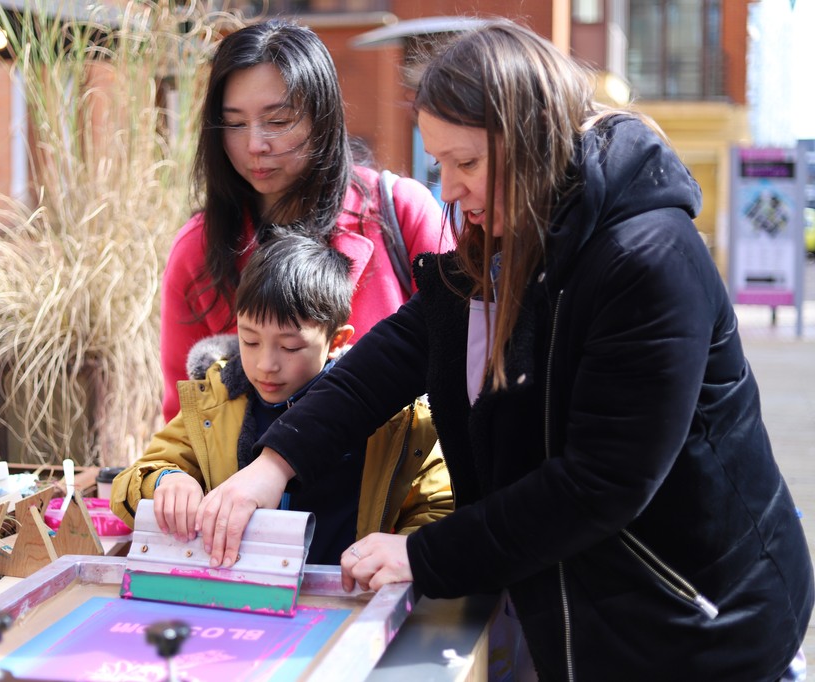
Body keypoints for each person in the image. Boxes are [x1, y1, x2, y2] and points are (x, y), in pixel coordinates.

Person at [191, 18, 815, 680]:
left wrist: (424, 555)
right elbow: (394, 354)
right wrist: (274, 464)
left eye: (468, 164)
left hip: (701, 626)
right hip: (590, 623)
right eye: (439, 164)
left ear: (532, 142)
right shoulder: (504, 238)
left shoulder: (649, 262)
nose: (449, 190)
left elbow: (601, 482)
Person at [160, 18, 452, 421]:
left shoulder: (401, 211)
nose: (255, 144)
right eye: (234, 123)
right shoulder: (198, 249)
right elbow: (185, 421)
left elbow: (462, 360)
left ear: (322, 116)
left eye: (278, 121)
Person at [113, 231, 451, 564]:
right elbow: (134, 479)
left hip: (349, 592)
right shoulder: (213, 403)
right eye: (250, 341)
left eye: (289, 347)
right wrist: (167, 482)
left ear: (335, 341)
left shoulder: (394, 419)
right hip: (235, 590)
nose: (266, 365)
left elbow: (439, 505)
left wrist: (403, 551)